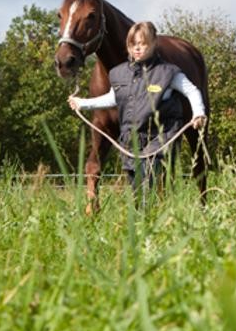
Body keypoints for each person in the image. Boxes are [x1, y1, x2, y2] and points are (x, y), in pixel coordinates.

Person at [68, 21, 207, 200]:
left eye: (143, 44)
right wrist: (83, 103)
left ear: (154, 44)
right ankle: (146, 219)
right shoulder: (119, 74)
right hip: (132, 138)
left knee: (147, 176)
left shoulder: (168, 72)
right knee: (137, 187)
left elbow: (192, 90)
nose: (138, 49)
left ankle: (153, 214)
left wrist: (198, 112)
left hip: (160, 136)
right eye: (134, 44)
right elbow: (113, 98)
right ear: (128, 46)